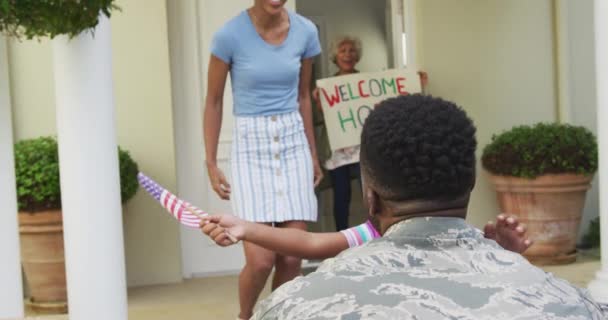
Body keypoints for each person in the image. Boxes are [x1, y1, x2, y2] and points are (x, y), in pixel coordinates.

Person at [217, 94, 605, 319]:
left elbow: (314, 248)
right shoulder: (573, 304)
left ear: (369, 196)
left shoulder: (290, 307)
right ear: (470, 180)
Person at [202, 1, 322, 319]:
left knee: (292, 259)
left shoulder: (306, 32)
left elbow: (302, 97)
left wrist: (312, 153)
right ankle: (245, 316)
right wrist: (211, 163)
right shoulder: (229, 35)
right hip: (250, 145)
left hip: (293, 139)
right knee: (261, 261)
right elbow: (213, 101)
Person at [313, 35, 428, 231]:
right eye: (343, 51)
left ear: (357, 56)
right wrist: (318, 102)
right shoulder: (326, 87)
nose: (348, 55)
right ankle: (341, 236)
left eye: (352, 51)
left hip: (363, 148)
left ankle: (375, 232)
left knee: (370, 194)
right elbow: (323, 118)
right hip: (339, 151)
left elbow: (390, 100)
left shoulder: (368, 83)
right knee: (341, 196)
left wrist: (415, 83)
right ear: (335, 56)